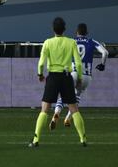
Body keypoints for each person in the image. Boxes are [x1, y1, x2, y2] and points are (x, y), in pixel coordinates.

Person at [29, 17, 87, 147]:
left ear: (53, 29)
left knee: (44, 109)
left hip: (53, 78)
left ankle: (35, 140)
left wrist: (40, 74)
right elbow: (78, 63)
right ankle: (83, 139)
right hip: (66, 78)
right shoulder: (71, 42)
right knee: (74, 109)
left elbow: (41, 63)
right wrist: (79, 78)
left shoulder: (48, 42)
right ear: (64, 29)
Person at [50, 23, 109, 129]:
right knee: (76, 96)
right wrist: (102, 65)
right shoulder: (91, 41)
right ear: (86, 32)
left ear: (76, 32)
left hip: (73, 73)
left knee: (64, 95)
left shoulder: (71, 41)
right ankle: (68, 117)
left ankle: (56, 114)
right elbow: (105, 52)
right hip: (86, 76)